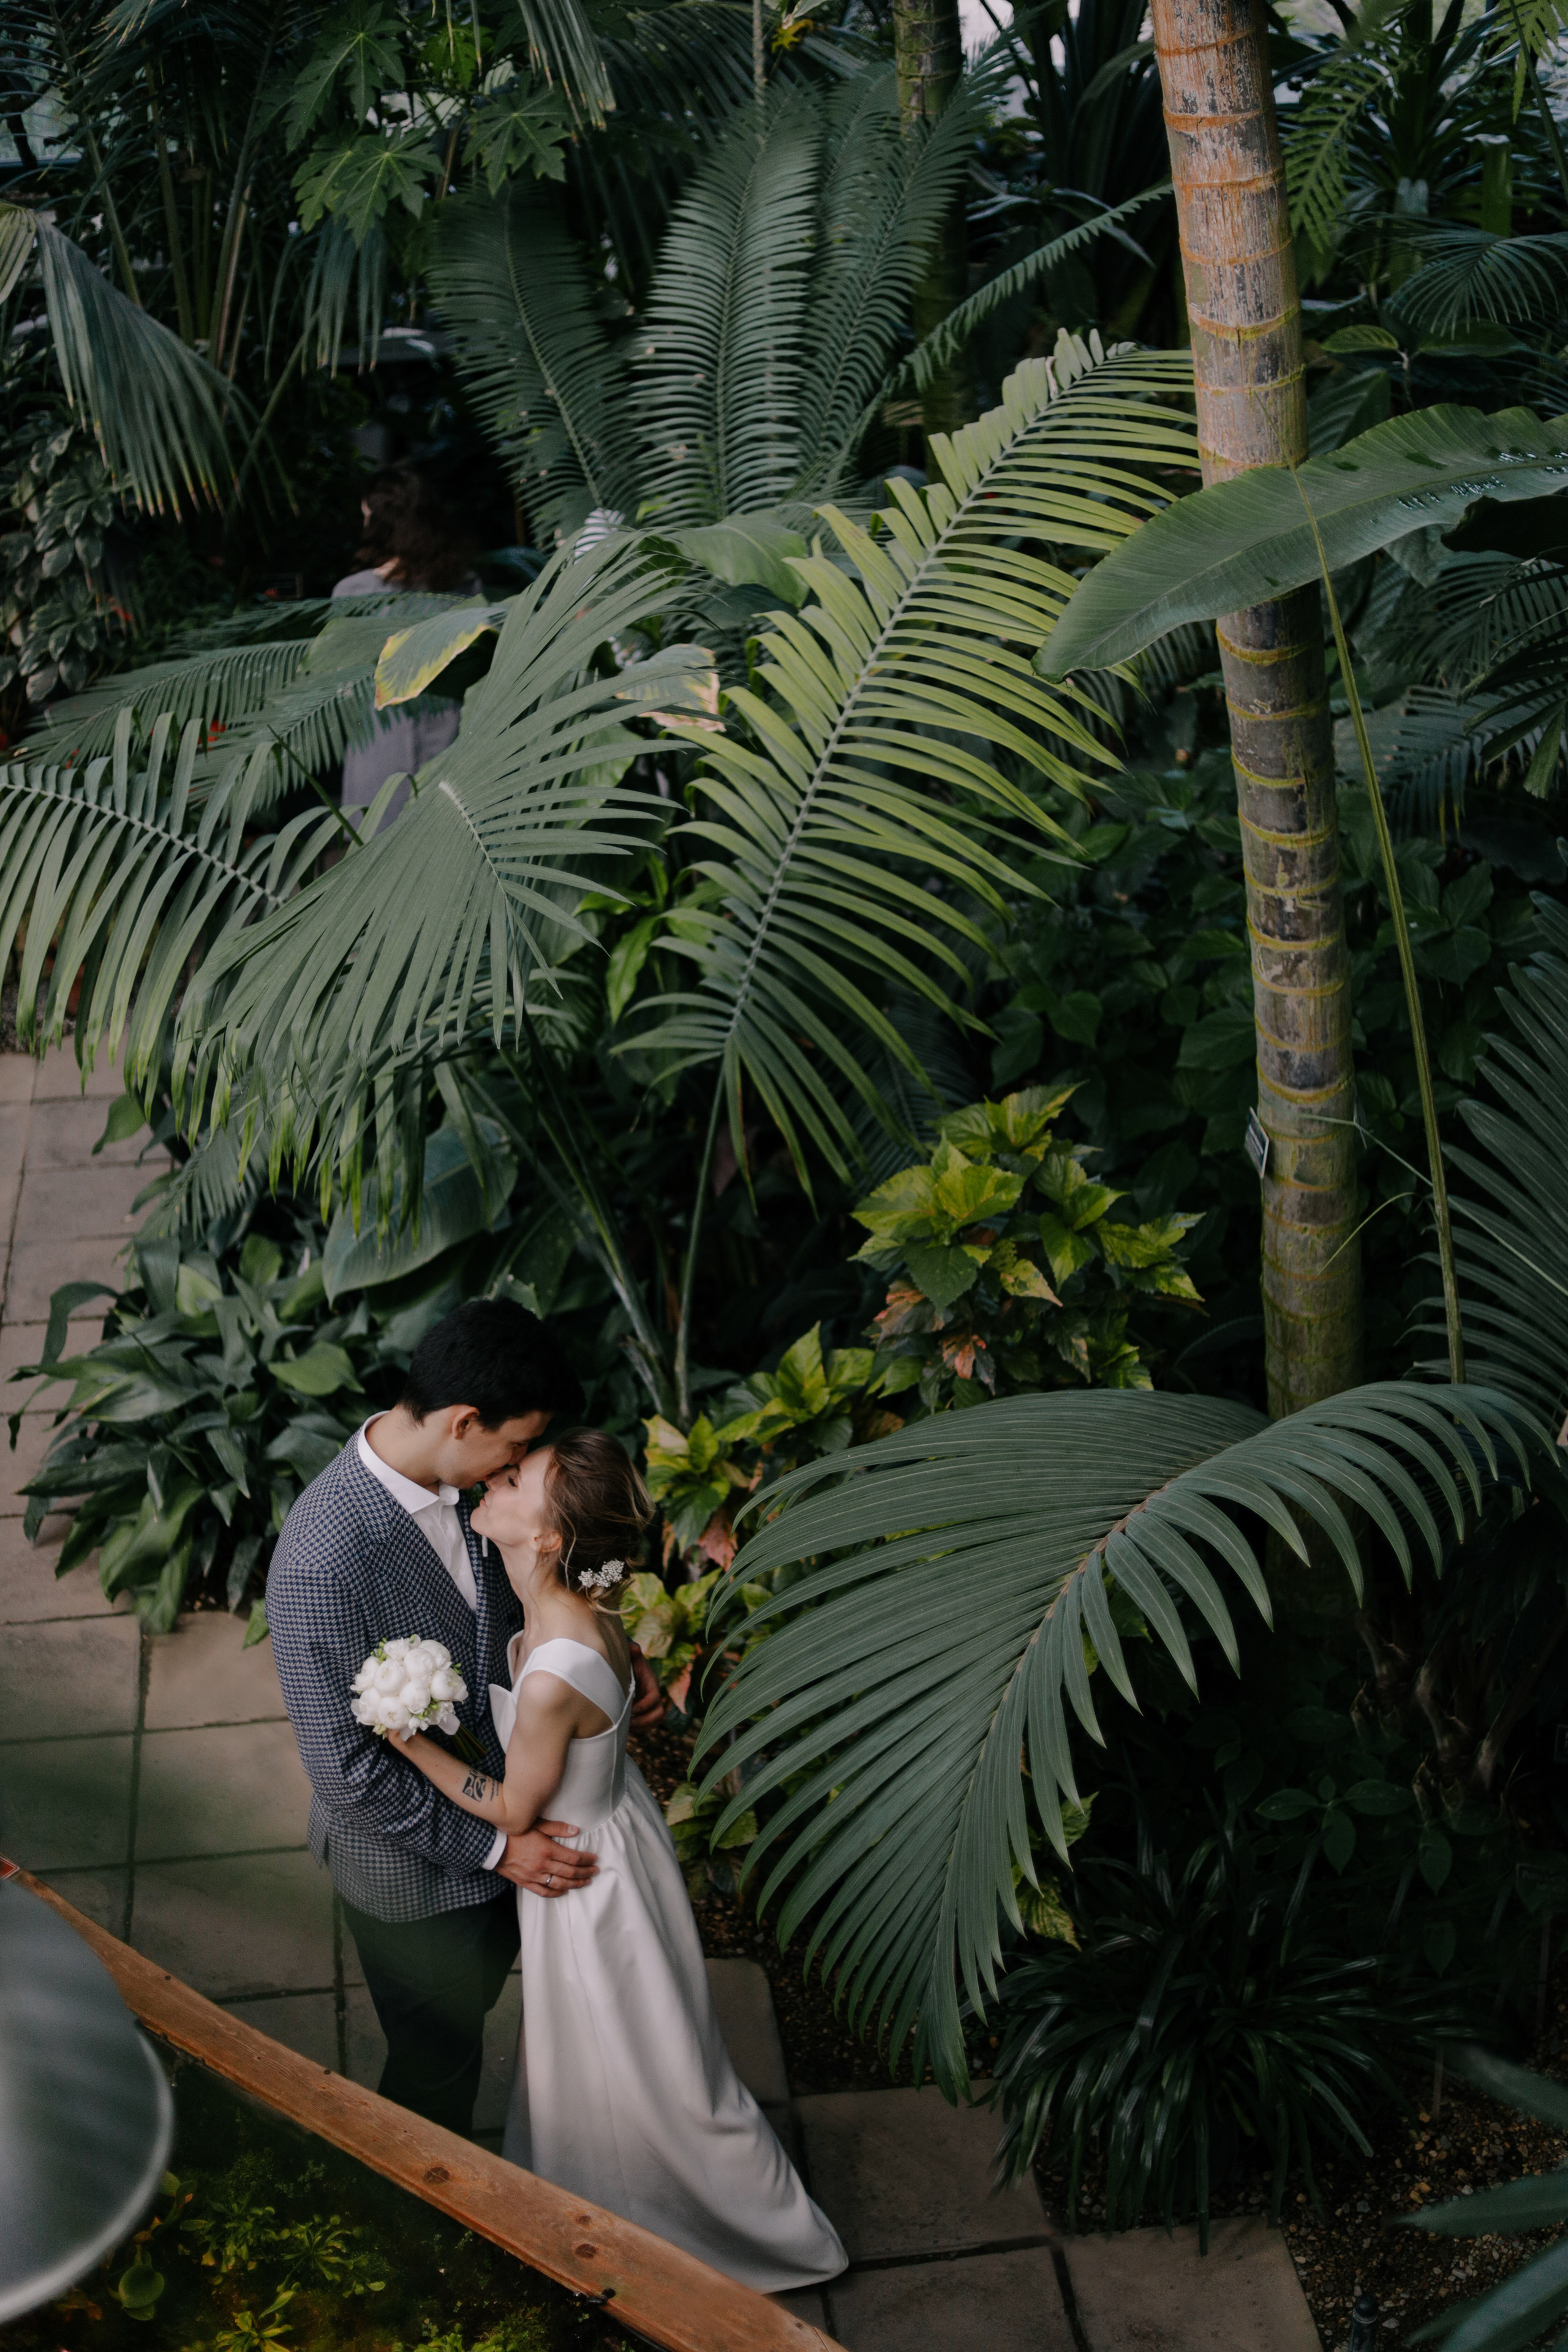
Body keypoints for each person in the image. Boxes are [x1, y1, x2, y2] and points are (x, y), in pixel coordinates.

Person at [393, 1430, 848, 2293]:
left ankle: (767, 2232)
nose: (495, 1473)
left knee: (655, 2065)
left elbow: (513, 1809)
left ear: (552, 1537)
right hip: (614, 1836)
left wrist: (410, 1742)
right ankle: (604, 2207)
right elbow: (607, 1612)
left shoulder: (558, 1666)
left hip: (586, 1878)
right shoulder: (580, 1594)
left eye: (515, 1475)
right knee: (617, 2053)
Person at [266, 1298, 663, 2135]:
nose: (518, 1466)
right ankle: (419, 2230)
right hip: (417, 1875)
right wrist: (495, 1847)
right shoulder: (321, 1561)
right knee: (437, 2070)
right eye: (517, 1447)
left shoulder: (485, 1493)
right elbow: (348, 1770)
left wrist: (607, 1660)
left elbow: (551, 1572)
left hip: (537, 1826)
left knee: (527, 2013)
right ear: (464, 1421)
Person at [331, 467, 481, 824]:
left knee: (377, 852)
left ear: (380, 525)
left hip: (379, 743)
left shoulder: (354, 592)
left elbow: (341, 684)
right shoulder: (463, 586)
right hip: (450, 740)